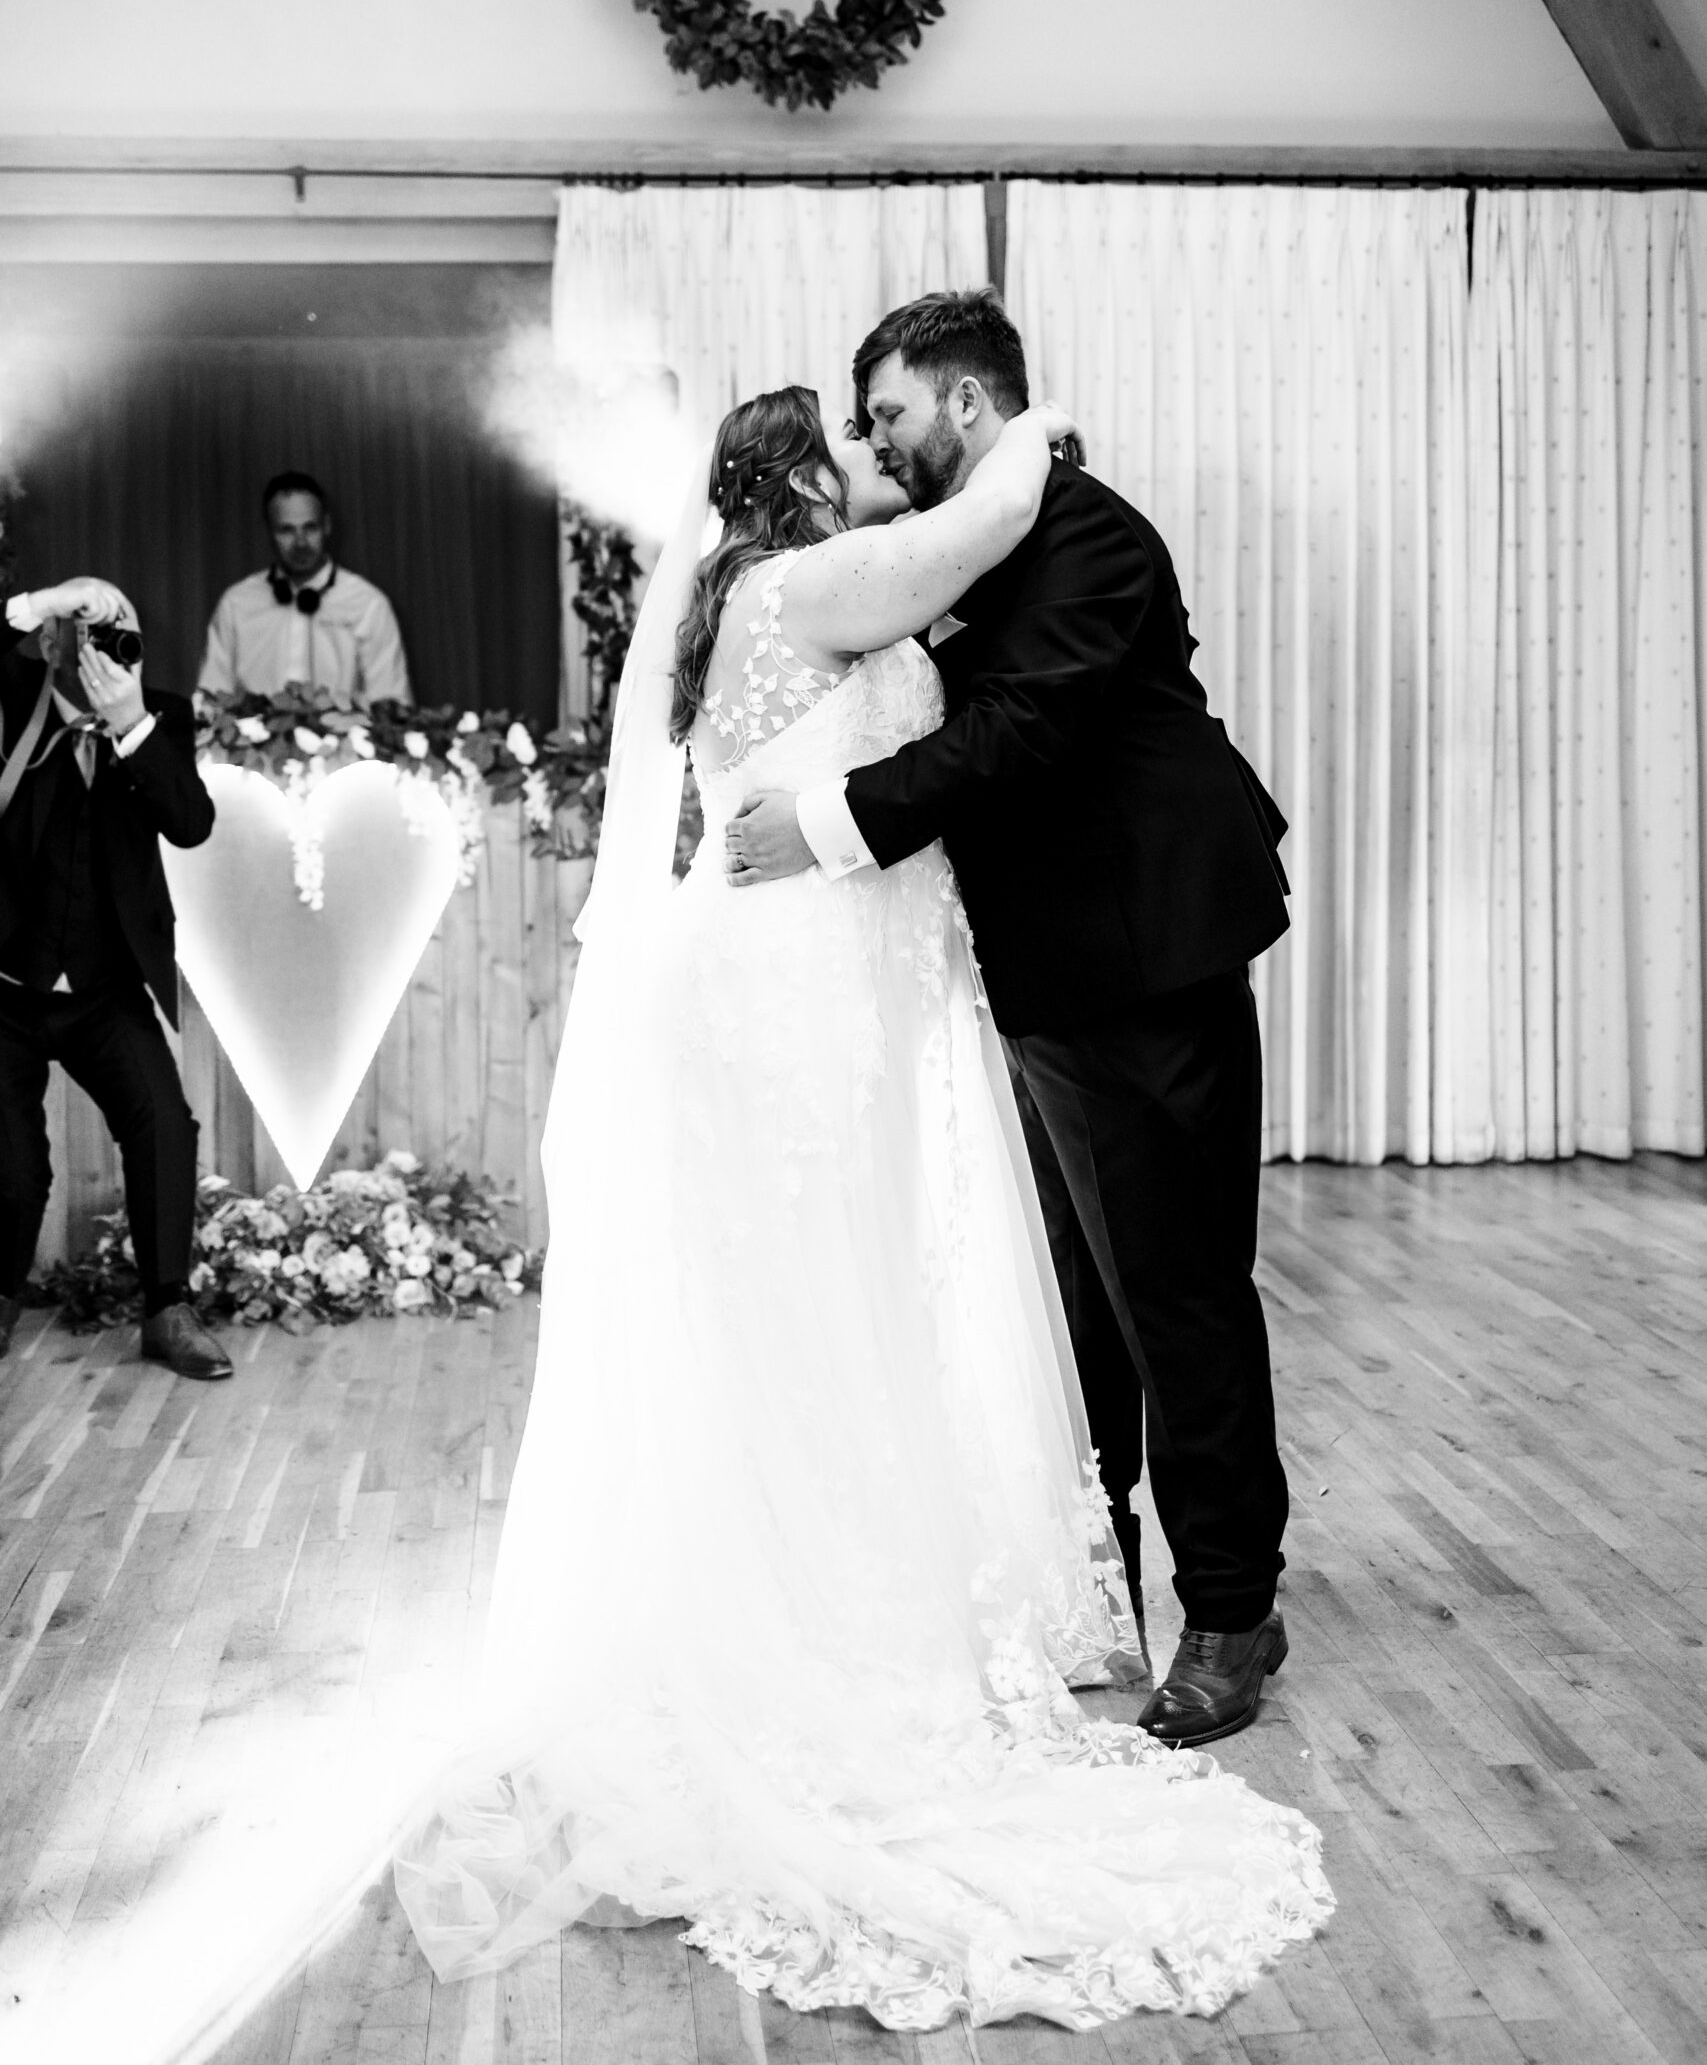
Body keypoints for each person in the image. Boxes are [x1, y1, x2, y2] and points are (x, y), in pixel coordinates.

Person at [394, 386, 1329, 2030]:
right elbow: (965, 542)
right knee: (825, 1306)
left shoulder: (757, 598)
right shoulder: (798, 582)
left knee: (825, 1304)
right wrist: (1025, 433)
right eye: (846, 444)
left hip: (803, 970)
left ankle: (878, 1587)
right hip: (782, 986)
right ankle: (823, 1628)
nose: (870, 464)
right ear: (785, 478)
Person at [728, 290, 1294, 1752]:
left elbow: (1018, 733)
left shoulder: (1086, 533)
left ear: (968, 405)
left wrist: (833, 824)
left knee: (1174, 1291)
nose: (873, 440)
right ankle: (1093, 1569)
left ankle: (1230, 1609)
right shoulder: (970, 538)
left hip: (1143, 958)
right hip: (1048, 978)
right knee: (1080, 1296)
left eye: (892, 413)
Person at [0, 576, 230, 1380]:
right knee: (14, 1164)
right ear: (56, 644)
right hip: (7, 991)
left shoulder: (158, 713)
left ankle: (168, 1308)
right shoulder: (15, 698)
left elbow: (191, 824)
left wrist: (132, 723)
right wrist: (46, 602)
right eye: (88, 631)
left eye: (120, 631)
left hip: (104, 993)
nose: (105, 646)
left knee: (165, 1124)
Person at [199, 471, 412, 707]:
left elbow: (392, 707)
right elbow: (210, 702)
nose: (300, 542)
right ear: (269, 532)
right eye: (287, 530)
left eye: (310, 528)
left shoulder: (369, 605)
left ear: (327, 526)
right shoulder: (235, 605)